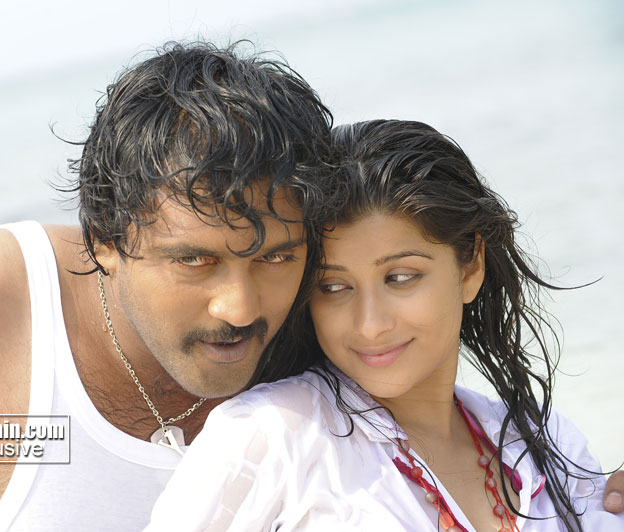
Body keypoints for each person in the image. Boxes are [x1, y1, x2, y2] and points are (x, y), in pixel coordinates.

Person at [0, 41, 336, 531]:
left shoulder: (341, 330)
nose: (240, 309)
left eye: (275, 258)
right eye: (194, 261)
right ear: (104, 240)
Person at [146, 119, 624, 531]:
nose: (370, 325)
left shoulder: (543, 441)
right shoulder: (269, 435)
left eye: (400, 278)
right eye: (334, 287)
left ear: (470, 267)